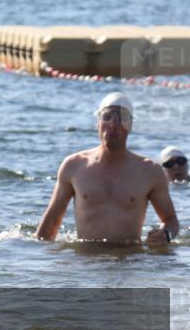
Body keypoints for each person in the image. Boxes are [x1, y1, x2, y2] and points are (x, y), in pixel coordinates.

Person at [37, 92, 179, 245]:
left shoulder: (150, 171)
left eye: (121, 118)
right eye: (107, 117)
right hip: (86, 263)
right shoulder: (74, 166)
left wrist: (166, 234)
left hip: (130, 262)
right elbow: (50, 223)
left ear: (130, 125)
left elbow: (171, 221)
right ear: (98, 122)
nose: (113, 124)